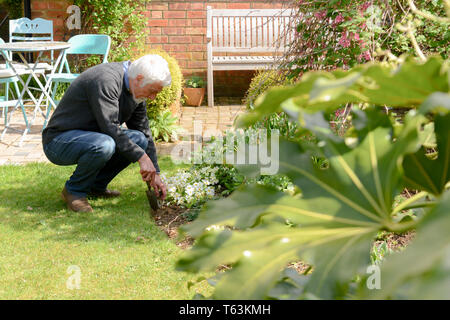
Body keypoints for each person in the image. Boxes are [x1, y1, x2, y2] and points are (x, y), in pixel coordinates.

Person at [42, 54, 170, 212]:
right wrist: (141, 157)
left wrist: (155, 172)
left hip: (94, 137)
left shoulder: (136, 92)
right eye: (152, 91)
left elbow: (143, 130)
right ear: (139, 78)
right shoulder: (106, 80)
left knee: (139, 140)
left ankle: (95, 186)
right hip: (59, 140)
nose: (152, 97)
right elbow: (110, 126)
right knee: (105, 144)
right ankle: (74, 191)